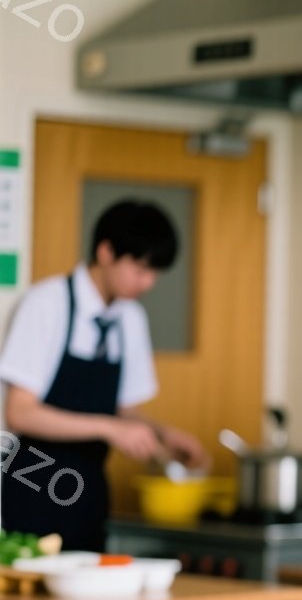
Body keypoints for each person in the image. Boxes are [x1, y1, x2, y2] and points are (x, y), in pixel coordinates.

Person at [0, 200, 205, 551]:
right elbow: (20, 412)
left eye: (156, 273)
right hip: (33, 480)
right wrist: (109, 428)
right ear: (106, 251)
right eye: (141, 268)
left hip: (87, 490)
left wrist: (163, 435)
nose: (149, 282)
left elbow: (120, 409)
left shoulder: (131, 319)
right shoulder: (46, 304)